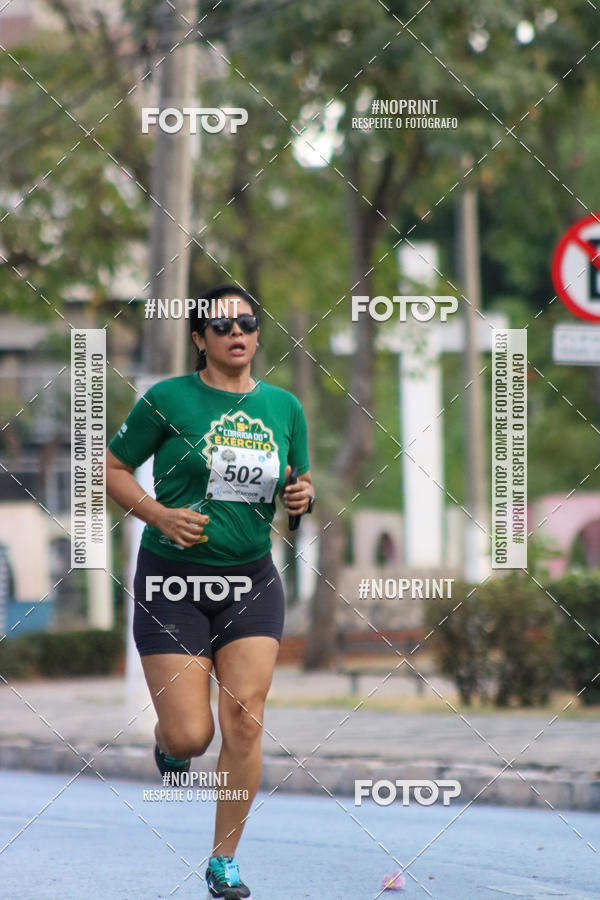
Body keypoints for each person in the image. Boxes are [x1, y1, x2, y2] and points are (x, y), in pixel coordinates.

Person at [105, 284, 314, 900]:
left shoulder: (285, 407)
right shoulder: (169, 399)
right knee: (193, 735)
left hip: (250, 578)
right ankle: (169, 745)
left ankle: (224, 859)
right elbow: (111, 469)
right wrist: (159, 515)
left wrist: (301, 499)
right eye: (221, 326)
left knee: (245, 719)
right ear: (200, 339)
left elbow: (295, 488)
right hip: (173, 580)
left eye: (247, 322)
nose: (237, 333)